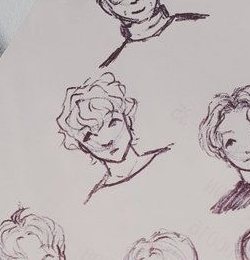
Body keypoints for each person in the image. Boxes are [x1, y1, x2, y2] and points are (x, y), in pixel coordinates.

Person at [57, 72, 171, 204]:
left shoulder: (167, 158)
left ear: (127, 120)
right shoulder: (95, 200)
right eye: (88, 136)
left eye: (113, 122)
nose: (106, 140)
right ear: (83, 147)